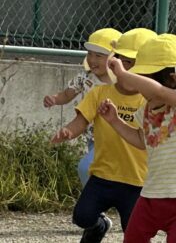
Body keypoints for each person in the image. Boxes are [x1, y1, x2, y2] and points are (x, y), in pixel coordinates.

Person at [98, 33, 176, 243]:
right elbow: (141, 140)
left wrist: (124, 75)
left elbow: (158, 91)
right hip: (151, 196)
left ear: (172, 78)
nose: (142, 90)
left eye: (145, 80)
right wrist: (115, 121)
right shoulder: (145, 110)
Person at [50, 28, 155, 243]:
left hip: (136, 181)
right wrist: (68, 131)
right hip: (102, 175)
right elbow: (81, 120)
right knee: (82, 216)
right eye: (121, 61)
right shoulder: (99, 93)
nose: (125, 69)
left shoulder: (149, 101)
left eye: (132, 63)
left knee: (134, 233)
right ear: (113, 63)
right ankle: (98, 227)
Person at [43, 28, 121, 186]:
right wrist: (55, 99)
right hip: (92, 136)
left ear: (115, 58)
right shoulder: (85, 78)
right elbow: (67, 94)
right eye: (90, 54)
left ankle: (92, 202)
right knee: (99, 173)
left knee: (86, 168)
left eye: (99, 55)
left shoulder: (121, 83)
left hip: (114, 137)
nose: (92, 60)